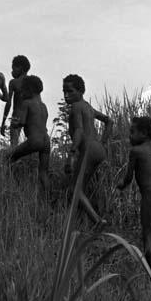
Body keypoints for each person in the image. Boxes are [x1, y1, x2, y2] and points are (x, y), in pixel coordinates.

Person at [116, 116, 151, 277]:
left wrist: (121, 185)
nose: (130, 136)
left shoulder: (135, 151)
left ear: (145, 134)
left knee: (146, 233)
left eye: (132, 132)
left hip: (150, 195)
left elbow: (128, 178)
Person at [62, 74, 113, 226]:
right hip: (97, 149)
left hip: (88, 149)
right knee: (81, 188)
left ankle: (98, 221)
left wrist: (71, 154)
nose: (66, 95)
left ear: (80, 91)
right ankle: (82, 222)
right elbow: (109, 121)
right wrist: (102, 143)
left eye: (70, 91)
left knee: (74, 190)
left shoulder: (76, 107)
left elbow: (79, 130)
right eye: (64, 91)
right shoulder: (88, 107)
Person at [8, 75, 50, 190]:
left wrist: (14, 122)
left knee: (9, 157)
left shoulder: (27, 103)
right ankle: (48, 199)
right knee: (43, 173)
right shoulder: (43, 106)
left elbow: (21, 122)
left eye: (23, 90)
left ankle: (15, 186)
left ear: (29, 90)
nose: (21, 93)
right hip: (46, 140)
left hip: (34, 140)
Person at [0, 55, 31, 146]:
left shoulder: (13, 82)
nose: (12, 71)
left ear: (20, 68)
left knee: (13, 146)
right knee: (31, 143)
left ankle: (14, 160)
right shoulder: (32, 82)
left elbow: (8, 103)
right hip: (30, 115)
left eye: (14, 69)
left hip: (17, 116)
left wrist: (3, 122)